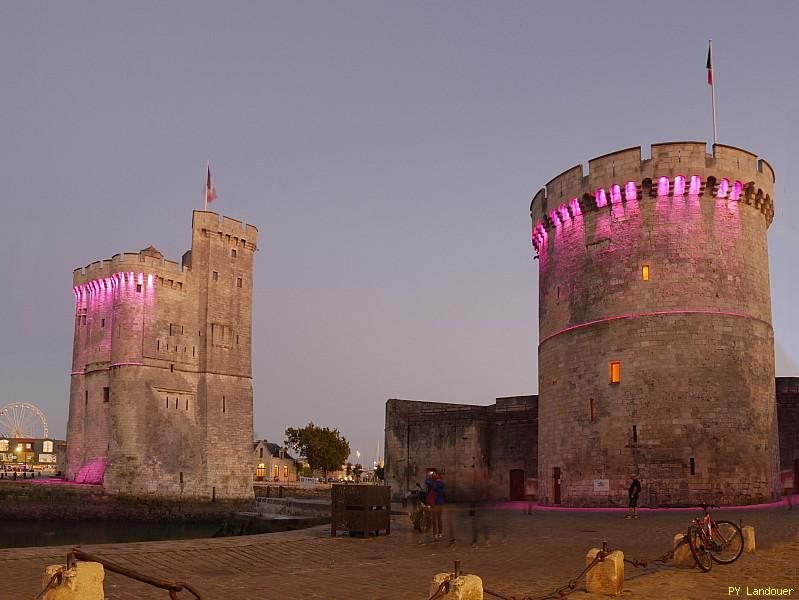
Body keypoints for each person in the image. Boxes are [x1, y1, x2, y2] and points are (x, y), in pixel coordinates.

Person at [425, 470, 446, 540]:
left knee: (434, 519)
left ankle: (435, 534)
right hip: (441, 503)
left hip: (435, 503)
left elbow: (427, 482)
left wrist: (428, 475)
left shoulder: (434, 483)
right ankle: (440, 533)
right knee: (439, 519)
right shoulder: (442, 484)